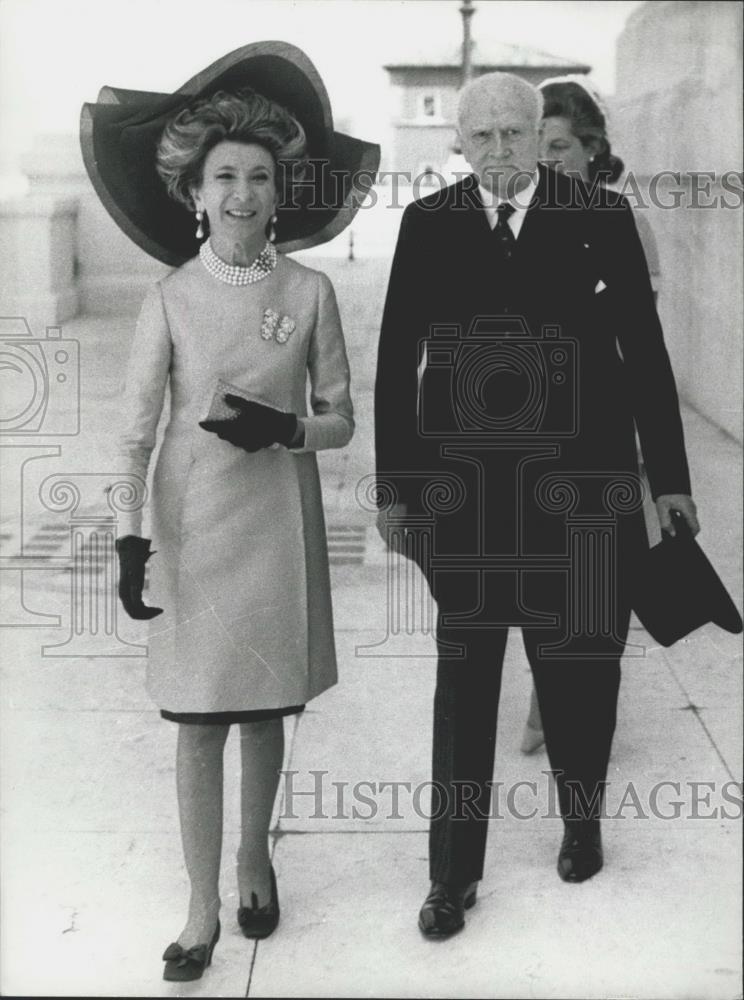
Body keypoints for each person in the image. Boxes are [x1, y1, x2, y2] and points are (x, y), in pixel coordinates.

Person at [374, 72, 698, 938]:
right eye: (482, 138)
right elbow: (397, 355)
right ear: (462, 146)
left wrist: (668, 480)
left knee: (582, 667)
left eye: (516, 134)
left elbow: (645, 350)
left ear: (539, 130)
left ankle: (581, 822)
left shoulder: (598, 215)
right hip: (468, 498)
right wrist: (398, 488)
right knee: (465, 683)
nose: (501, 151)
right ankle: (451, 874)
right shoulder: (428, 224)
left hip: (584, 488)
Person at [81, 42, 378, 981]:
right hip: (192, 527)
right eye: (224, 177)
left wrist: (286, 428)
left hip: (274, 528)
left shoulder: (310, 292)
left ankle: (254, 864)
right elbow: (133, 434)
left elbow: (340, 419)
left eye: (258, 175)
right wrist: (130, 541)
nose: (242, 192)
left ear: (277, 189)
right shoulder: (169, 298)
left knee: (260, 715)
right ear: (195, 193)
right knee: (197, 719)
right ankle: (199, 903)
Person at [520, 74, 662, 755]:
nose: (546, 163)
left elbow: (640, 345)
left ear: (591, 149)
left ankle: (583, 706)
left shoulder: (622, 222)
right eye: (537, 150)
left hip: (601, 424)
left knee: (598, 580)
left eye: (559, 148)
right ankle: (545, 697)